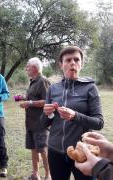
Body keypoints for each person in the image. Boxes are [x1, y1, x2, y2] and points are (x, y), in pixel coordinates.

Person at [42, 46, 104, 180]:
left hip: (82, 151)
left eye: (76, 59)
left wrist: (75, 116)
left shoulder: (90, 88)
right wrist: (47, 114)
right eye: (68, 60)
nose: (72, 63)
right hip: (55, 151)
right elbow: (44, 123)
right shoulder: (53, 89)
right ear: (61, 64)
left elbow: (99, 122)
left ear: (81, 63)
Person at [19, 57, 51, 180]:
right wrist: (24, 98)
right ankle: (35, 174)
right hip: (30, 123)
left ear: (35, 68)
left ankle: (48, 175)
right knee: (33, 149)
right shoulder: (33, 81)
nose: (26, 68)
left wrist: (30, 103)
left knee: (43, 150)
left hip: (40, 123)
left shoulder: (43, 81)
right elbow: (33, 98)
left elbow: (47, 101)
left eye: (28, 66)